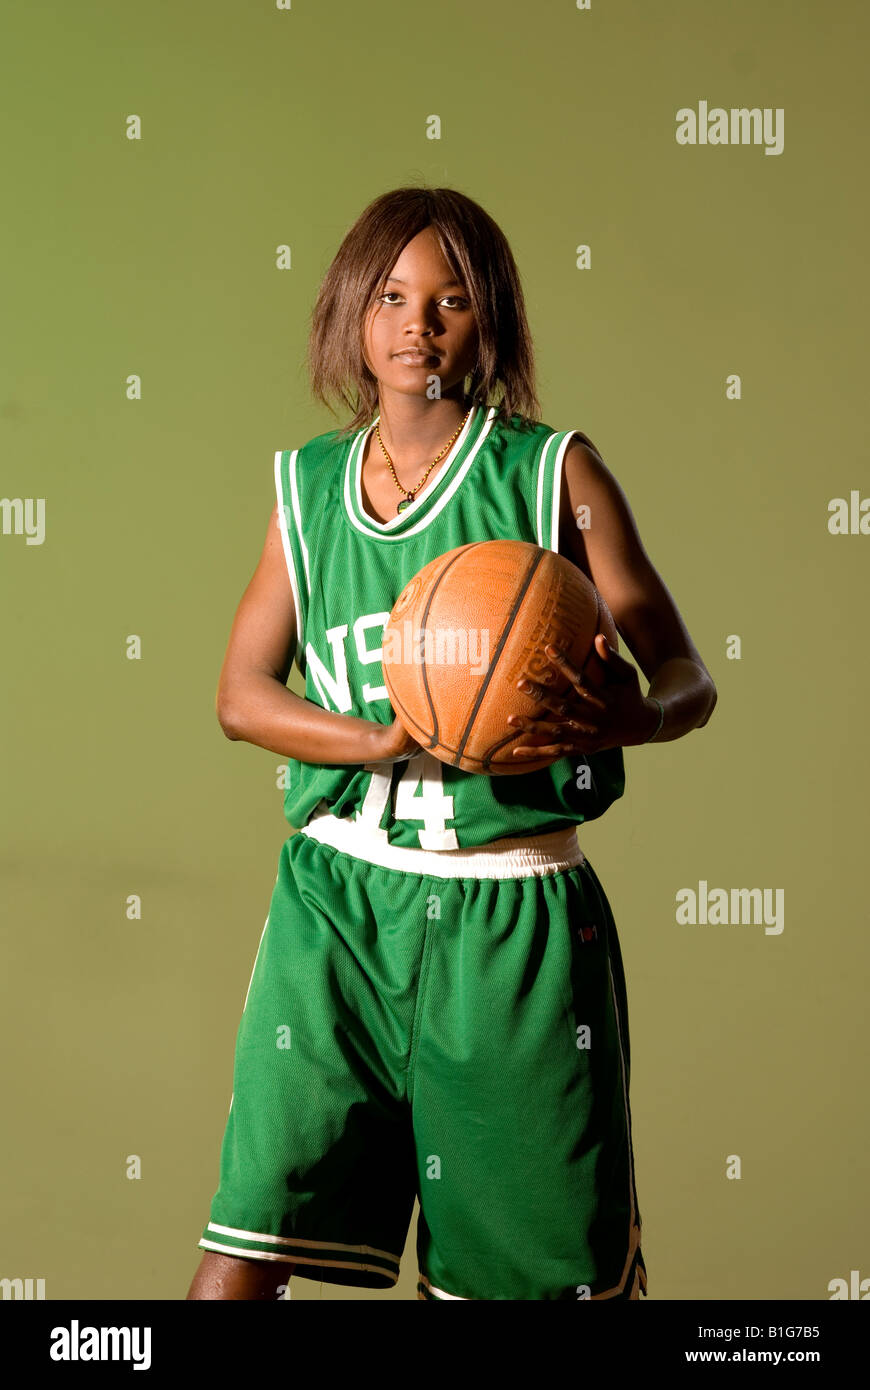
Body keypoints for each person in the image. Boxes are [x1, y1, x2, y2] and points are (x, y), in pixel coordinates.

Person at [186, 185, 717, 1302]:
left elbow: (687, 674)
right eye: (388, 293)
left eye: (450, 299)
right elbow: (241, 693)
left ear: (492, 323)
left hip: (510, 916)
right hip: (339, 903)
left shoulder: (550, 472)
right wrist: (380, 735)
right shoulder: (310, 487)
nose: (414, 323)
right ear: (350, 308)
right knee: (244, 1248)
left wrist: (638, 714)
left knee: (520, 1285)